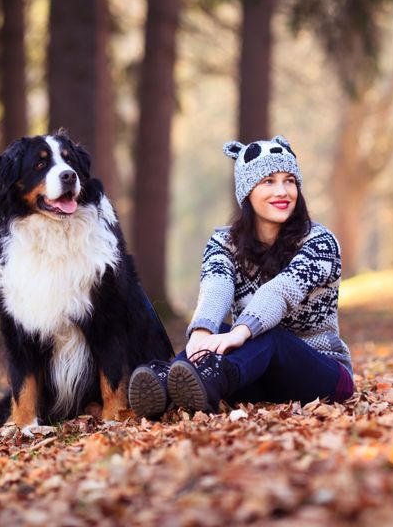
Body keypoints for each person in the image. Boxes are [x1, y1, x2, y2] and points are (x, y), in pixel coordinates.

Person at [128, 135, 354, 417]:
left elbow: (280, 292)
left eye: (290, 181)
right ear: (247, 190)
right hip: (260, 373)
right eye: (268, 181)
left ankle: (209, 380)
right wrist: (202, 332)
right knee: (219, 334)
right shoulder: (224, 243)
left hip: (324, 374)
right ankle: (166, 384)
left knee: (270, 337)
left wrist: (239, 332)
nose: (283, 191)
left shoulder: (320, 243)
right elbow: (216, 285)